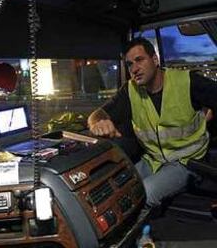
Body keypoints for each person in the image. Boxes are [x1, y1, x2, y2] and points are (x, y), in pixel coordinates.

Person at [88, 37, 217, 207]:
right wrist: (98, 122)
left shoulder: (187, 81)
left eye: (139, 60)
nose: (134, 69)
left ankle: (140, 233)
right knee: (119, 186)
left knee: (145, 193)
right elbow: (96, 114)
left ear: (155, 60)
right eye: (129, 64)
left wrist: (211, 117)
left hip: (187, 162)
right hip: (153, 160)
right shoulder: (130, 91)